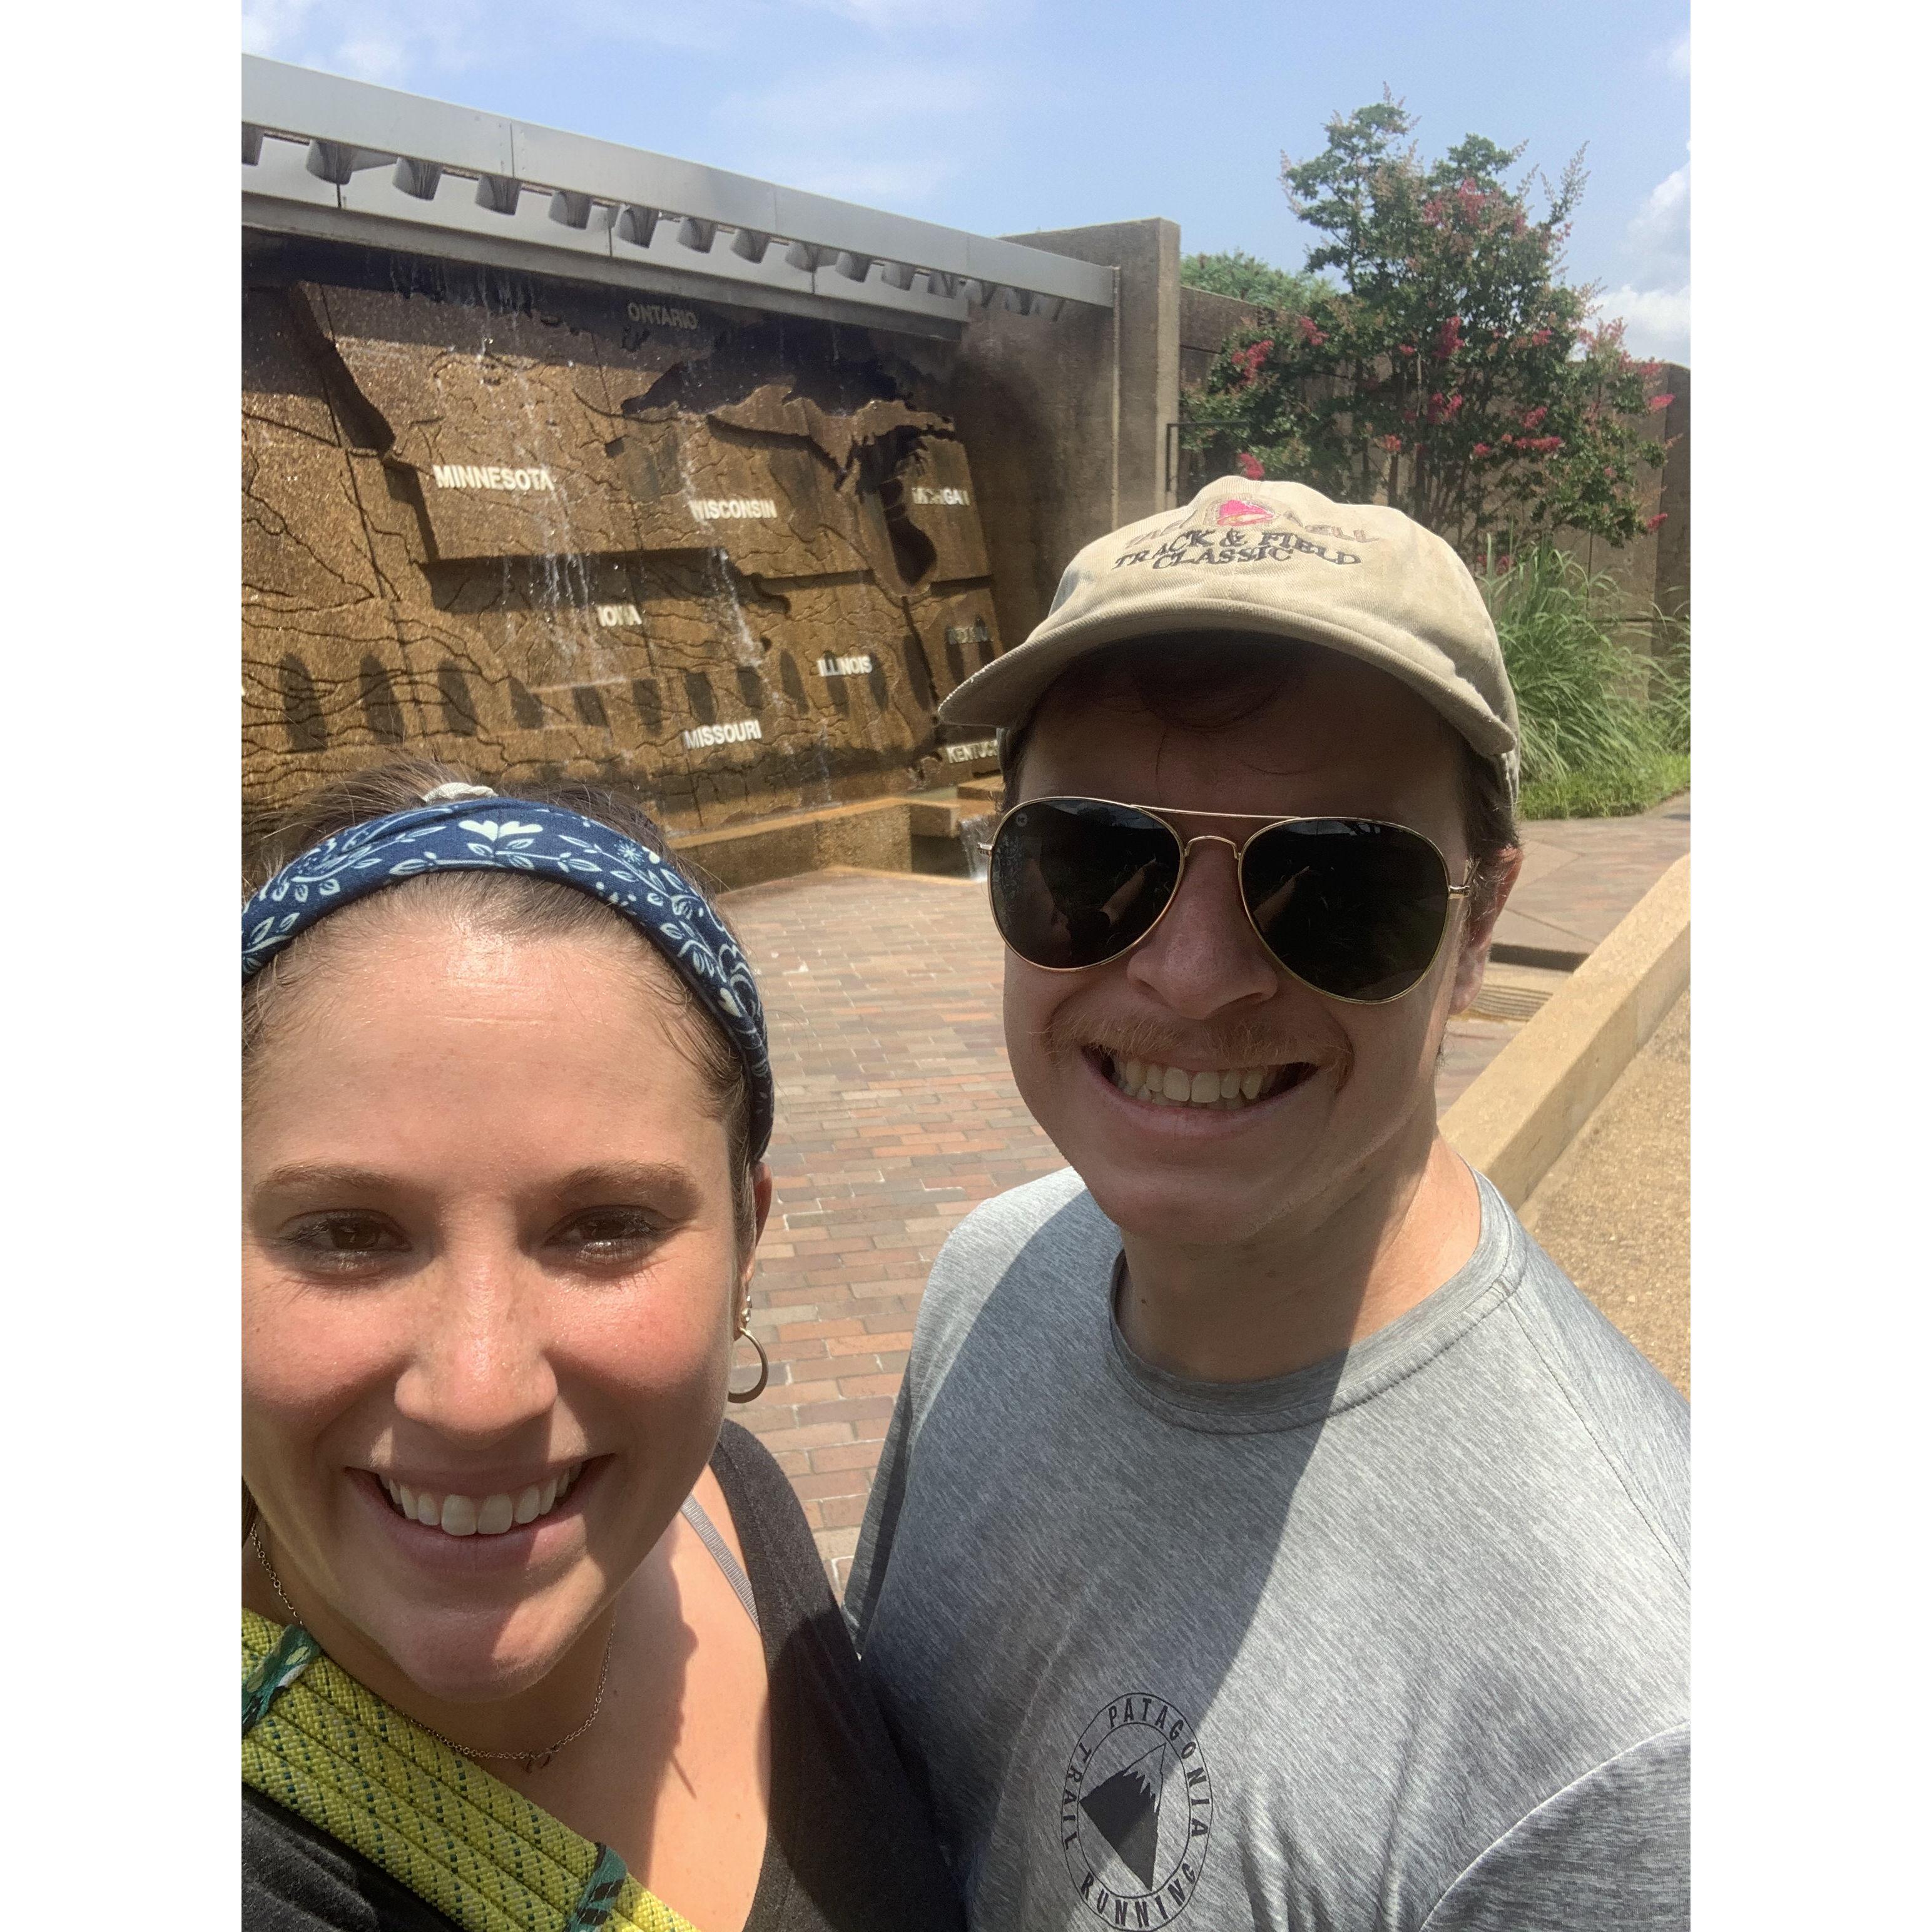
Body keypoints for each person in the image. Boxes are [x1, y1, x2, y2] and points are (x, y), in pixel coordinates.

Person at [846, 480, 1689, 1930]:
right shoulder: (987, 1279)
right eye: (1094, 857)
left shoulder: (1633, 1731)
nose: (1192, 975)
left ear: (1477, 924)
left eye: (1334, 883)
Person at [242, 763, 964, 1932]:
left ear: (746, 1247)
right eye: (346, 1234)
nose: (479, 1392)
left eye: (604, 1227)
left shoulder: (730, 1504)